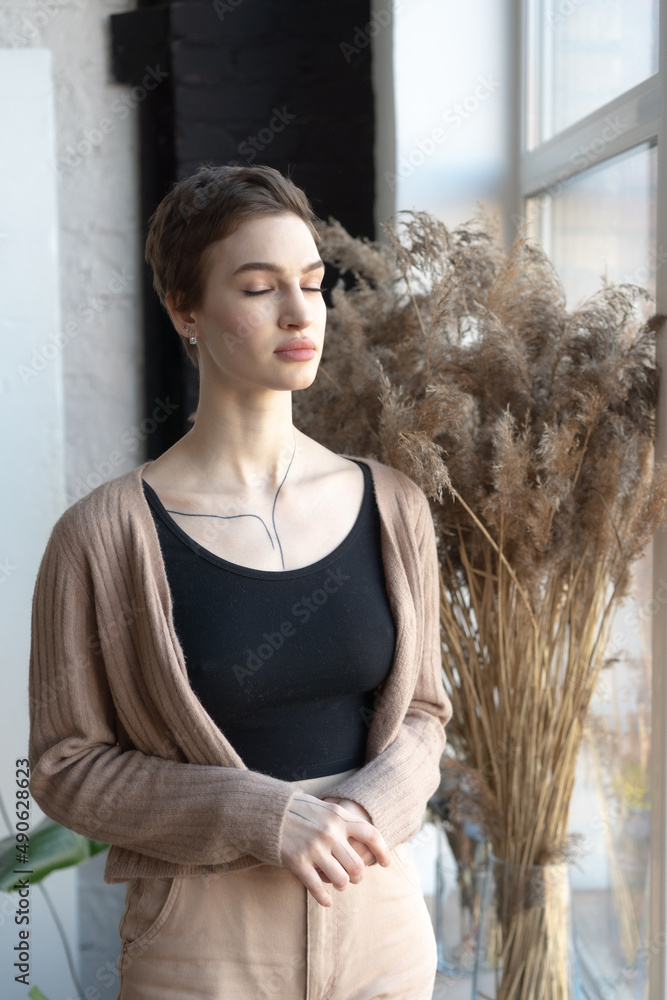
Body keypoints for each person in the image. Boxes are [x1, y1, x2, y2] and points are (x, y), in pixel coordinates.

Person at [28, 163, 453, 1000]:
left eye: (312, 284)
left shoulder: (394, 505)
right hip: (201, 944)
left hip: (381, 923)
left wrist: (363, 811)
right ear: (184, 311)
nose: (300, 313)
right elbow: (65, 767)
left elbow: (425, 714)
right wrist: (263, 816)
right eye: (260, 288)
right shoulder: (101, 536)